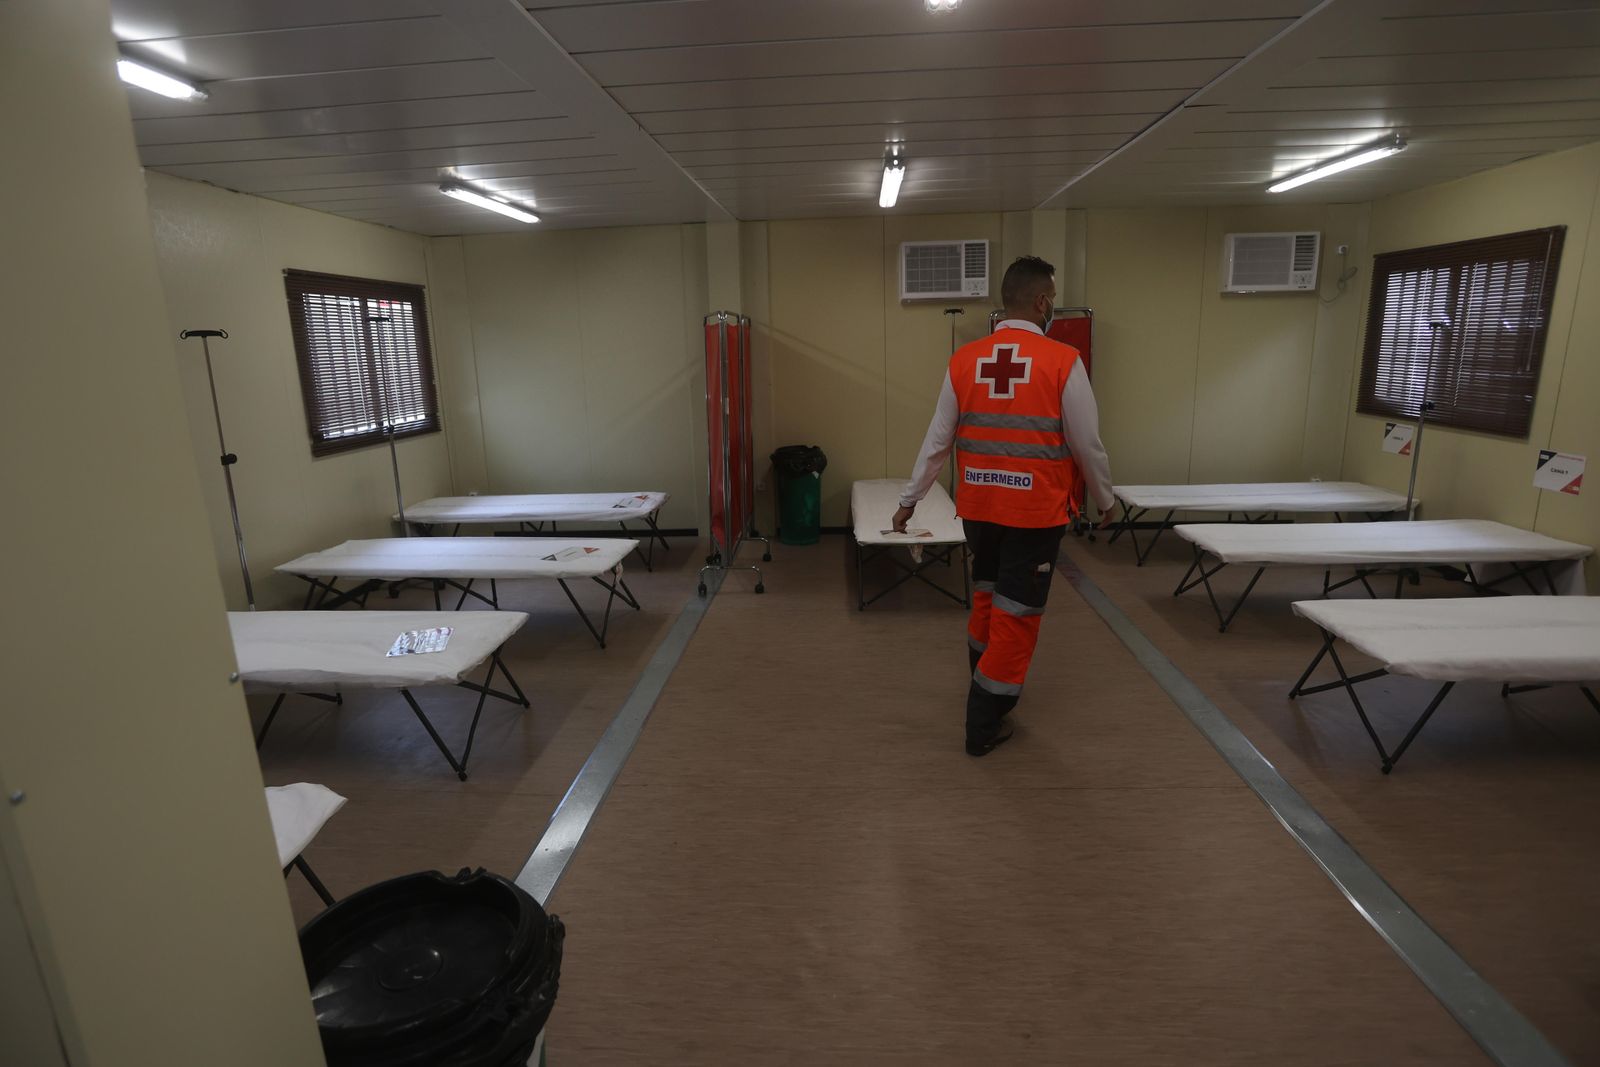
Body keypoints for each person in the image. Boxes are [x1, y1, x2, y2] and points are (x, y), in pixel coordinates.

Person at [893, 256, 1115, 757]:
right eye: (1052, 298)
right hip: (1034, 514)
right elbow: (1088, 444)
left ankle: (985, 683)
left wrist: (910, 501)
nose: (1053, 306)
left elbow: (936, 442)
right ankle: (983, 721)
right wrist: (1104, 498)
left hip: (979, 507)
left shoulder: (965, 360)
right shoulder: (1063, 361)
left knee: (988, 598)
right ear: (1041, 302)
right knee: (1018, 613)